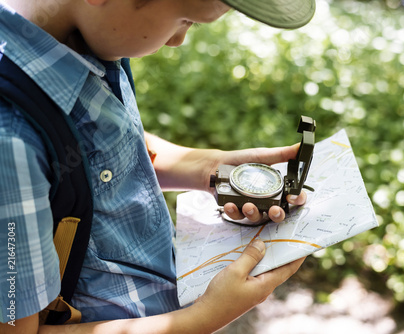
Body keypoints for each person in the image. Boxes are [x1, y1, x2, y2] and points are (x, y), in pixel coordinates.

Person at [0, 0, 315, 332]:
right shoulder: (10, 144)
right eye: (185, 20)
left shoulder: (90, 42)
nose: (179, 40)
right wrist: (204, 317)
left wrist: (209, 167)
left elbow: (102, 145)